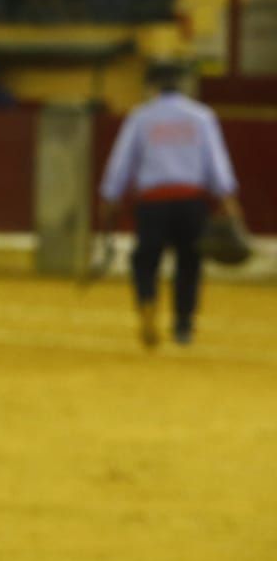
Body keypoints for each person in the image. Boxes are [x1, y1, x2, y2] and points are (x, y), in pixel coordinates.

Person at [98, 60, 244, 348]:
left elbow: (122, 160)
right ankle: (183, 326)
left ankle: (147, 304)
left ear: (151, 86)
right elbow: (216, 161)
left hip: (152, 202)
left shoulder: (141, 117)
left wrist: (110, 195)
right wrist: (228, 198)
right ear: (183, 84)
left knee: (146, 259)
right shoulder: (201, 116)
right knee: (189, 262)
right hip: (191, 200)